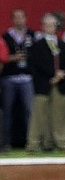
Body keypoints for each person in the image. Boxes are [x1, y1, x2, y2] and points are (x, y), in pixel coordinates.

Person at [26, 12, 65, 152]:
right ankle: (34, 143)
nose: (50, 27)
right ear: (42, 26)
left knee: (60, 115)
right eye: (47, 24)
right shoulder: (38, 45)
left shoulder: (63, 44)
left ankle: (61, 141)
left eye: (53, 24)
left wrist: (62, 75)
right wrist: (53, 74)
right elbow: (38, 64)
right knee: (39, 115)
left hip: (60, 84)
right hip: (43, 83)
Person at [1, 8, 34, 152]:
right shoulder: (5, 36)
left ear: (25, 19)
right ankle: (6, 143)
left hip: (27, 77)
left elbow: (38, 55)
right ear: (12, 20)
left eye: (21, 17)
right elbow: (2, 57)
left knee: (29, 111)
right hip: (10, 78)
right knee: (7, 112)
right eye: (16, 17)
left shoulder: (32, 35)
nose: (19, 20)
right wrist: (14, 58)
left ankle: (31, 142)